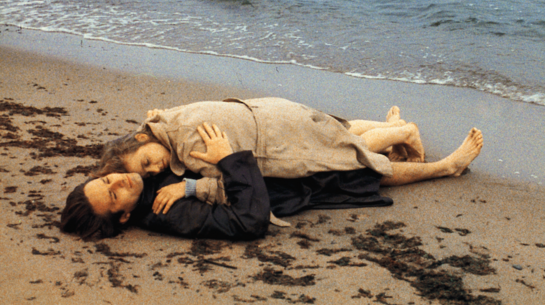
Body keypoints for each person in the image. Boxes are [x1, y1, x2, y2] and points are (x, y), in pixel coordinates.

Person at [60, 125, 484, 240]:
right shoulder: (169, 214)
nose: (119, 181)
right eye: (114, 194)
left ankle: (396, 131)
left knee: (329, 136)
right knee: (360, 168)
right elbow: (248, 222)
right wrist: (229, 160)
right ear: (124, 215)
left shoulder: (144, 170)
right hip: (282, 186)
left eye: (108, 179)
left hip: (264, 162)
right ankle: (446, 166)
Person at [91, 98, 428, 213]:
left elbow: (236, 186)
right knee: (337, 132)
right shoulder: (166, 121)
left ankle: (403, 133)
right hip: (272, 111)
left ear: (140, 138)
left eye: (147, 160)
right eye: (149, 172)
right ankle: (393, 128)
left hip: (278, 140)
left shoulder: (192, 150)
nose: (157, 167)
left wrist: (189, 188)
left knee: (351, 154)